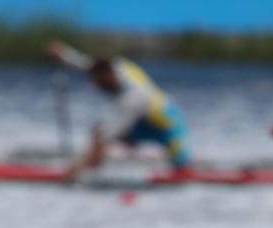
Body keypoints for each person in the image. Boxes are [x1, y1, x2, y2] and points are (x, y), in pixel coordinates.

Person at [46, 40, 191, 178]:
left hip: (169, 127)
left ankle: (89, 169)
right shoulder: (117, 65)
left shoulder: (132, 98)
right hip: (142, 122)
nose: (94, 85)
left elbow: (109, 134)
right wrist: (62, 53)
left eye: (96, 81)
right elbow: (86, 65)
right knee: (98, 133)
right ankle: (94, 167)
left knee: (182, 168)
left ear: (106, 76)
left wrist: (78, 167)